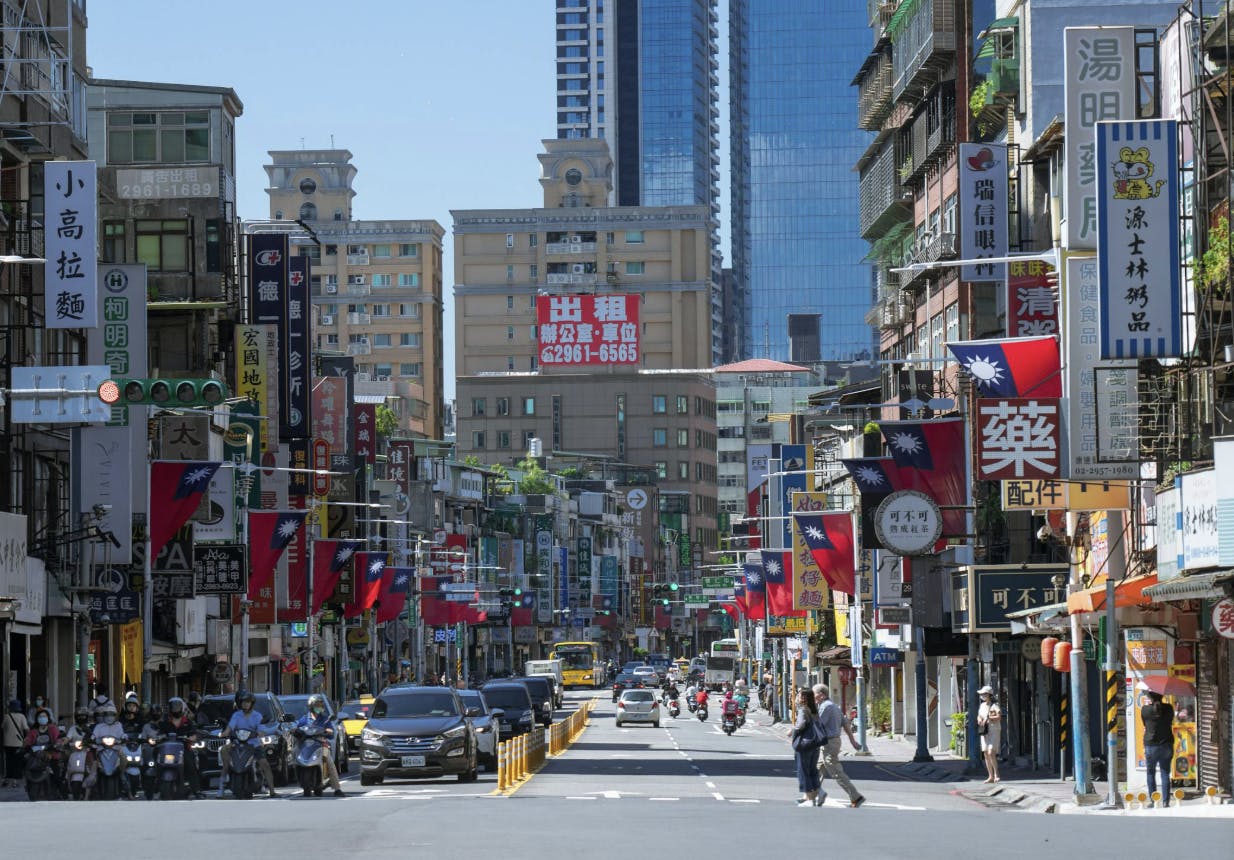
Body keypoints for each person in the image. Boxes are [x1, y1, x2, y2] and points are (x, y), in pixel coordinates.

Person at [813, 683, 865, 808]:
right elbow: (845, 724)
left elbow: (817, 726)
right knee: (817, 770)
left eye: (813, 694)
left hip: (829, 743)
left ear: (821, 695)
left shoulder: (826, 707)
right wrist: (852, 741)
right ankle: (813, 796)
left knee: (836, 771)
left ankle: (855, 797)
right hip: (831, 742)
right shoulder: (833, 706)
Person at [217, 691, 278, 798]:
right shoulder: (236, 715)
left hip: (254, 745)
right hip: (236, 743)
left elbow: (261, 729)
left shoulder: (257, 716)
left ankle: (272, 790)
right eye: (243, 702)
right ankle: (221, 788)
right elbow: (229, 728)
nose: (245, 704)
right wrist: (223, 734)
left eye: (248, 702)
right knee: (223, 750)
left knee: (265, 764)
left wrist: (260, 733)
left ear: (252, 704)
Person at [293, 693, 344, 797]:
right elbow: (296, 727)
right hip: (305, 744)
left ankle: (337, 788)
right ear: (311, 706)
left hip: (320, 744)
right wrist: (294, 730)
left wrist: (328, 731)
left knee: (329, 762)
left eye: (321, 705)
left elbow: (331, 730)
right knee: (294, 755)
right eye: (317, 705)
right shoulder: (304, 719)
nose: (319, 707)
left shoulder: (325, 719)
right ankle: (299, 777)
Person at [1139, 682, 1175, 807]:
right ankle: (1165, 802)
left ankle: (1153, 801)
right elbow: (1170, 721)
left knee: (1151, 773)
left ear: (1150, 697)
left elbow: (1145, 724)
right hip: (1167, 744)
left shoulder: (1145, 710)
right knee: (1165, 773)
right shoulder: (1169, 708)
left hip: (1151, 744)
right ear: (1162, 696)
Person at [159, 697, 203, 797]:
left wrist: (191, 738)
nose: (175, 709)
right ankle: (155, 787)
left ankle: (197, 791)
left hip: (183, 750)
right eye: (173, 707)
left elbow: (195, 734)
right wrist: (157, 738)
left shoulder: (188, 722)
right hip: (167, 750)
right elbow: (159, 733)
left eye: (177, 707)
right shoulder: (164, 723)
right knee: (154, 762)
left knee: (191, 765)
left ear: (182, 708)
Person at [791, 687, 824, 807]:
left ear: (803, 698)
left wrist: (792, 730)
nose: (796, 697)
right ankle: (819, 792)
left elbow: (800, 725)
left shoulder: (803, 710)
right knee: (812, 770)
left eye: (798, 695)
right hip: (815, 744)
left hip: (804, 744)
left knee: (803, 771)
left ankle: (810, 799)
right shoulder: (814, 710)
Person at [976, 685, 1001, 784]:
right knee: (986, 753)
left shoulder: (994, 705)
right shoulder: (982, 705)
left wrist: (989, 718)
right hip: (985, 731)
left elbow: (999, 716)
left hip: (994, 730)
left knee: (991, 752)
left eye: (984, 694)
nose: (982, 696)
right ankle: (990, 776)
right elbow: (979, 715)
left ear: (989, 695)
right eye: (981, 694)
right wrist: (979, 720)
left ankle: (996, 774)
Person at [3, 698, 29, 786]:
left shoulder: (6, 716)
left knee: (9, 761)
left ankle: (7, 779)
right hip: (18, 743)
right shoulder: (22, 716)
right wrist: (26, 739)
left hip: (7, 743)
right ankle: (15, 781)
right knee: (17, 762)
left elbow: (2, 727)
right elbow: (26, 729)